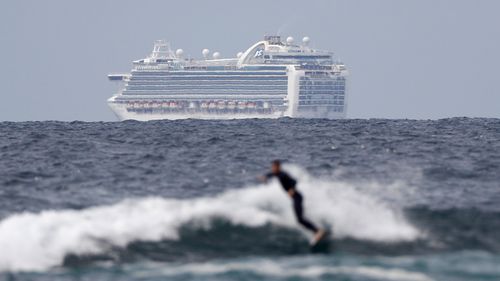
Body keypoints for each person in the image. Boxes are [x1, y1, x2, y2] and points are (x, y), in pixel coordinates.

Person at [259, 160, 325, 243]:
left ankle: (318, 231)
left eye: (274, 167)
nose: (272, 169)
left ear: (278, 167)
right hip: (296, 198)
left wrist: (292, 189)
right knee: (300, 219)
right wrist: (265, 177)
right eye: (272, 167)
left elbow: (294, 181)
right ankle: (317, 231)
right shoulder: (277, 174)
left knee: (300, 219)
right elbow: (270, 174)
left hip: (297, 197)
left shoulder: (283, 175)